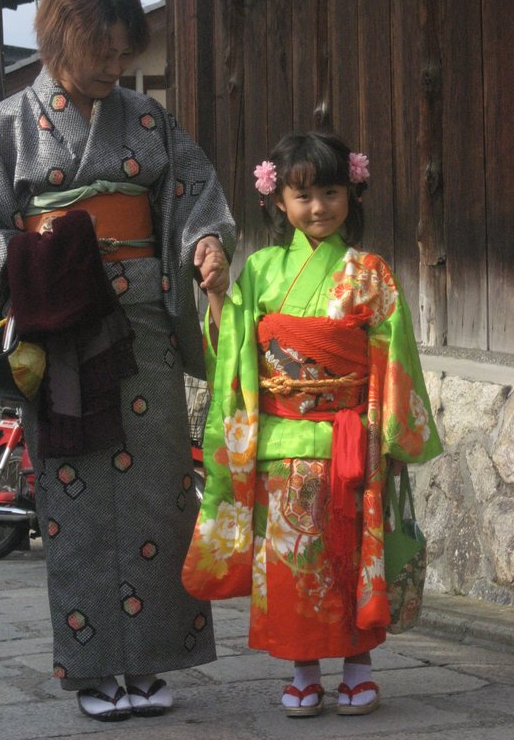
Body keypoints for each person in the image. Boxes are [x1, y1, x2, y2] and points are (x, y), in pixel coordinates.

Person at [0, 0, 234, 722]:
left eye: (122, 52)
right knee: (73, 503)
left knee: (159, 499)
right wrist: (43, 270)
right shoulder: (3, 129)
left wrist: (206, 244)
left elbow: (196, 195)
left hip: (142, 329)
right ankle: (93, 667)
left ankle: (152, 663)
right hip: (64, 335)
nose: (115, 66)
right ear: (60, 38)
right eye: (101, 50)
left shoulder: (148, 121)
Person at [182, 130, 442, 717]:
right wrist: (221, 294)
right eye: (303, 196)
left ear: (352, 192)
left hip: (349, 439)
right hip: (280, 439)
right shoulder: (262, 270)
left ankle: (357, 666)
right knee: (292, 563)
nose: (318, 207)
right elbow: (233, 352)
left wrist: (392, 435)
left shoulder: (370, 272)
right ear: (278, 202)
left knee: (348, 558)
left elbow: (394, 357)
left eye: (330, 192)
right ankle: (302, 669)